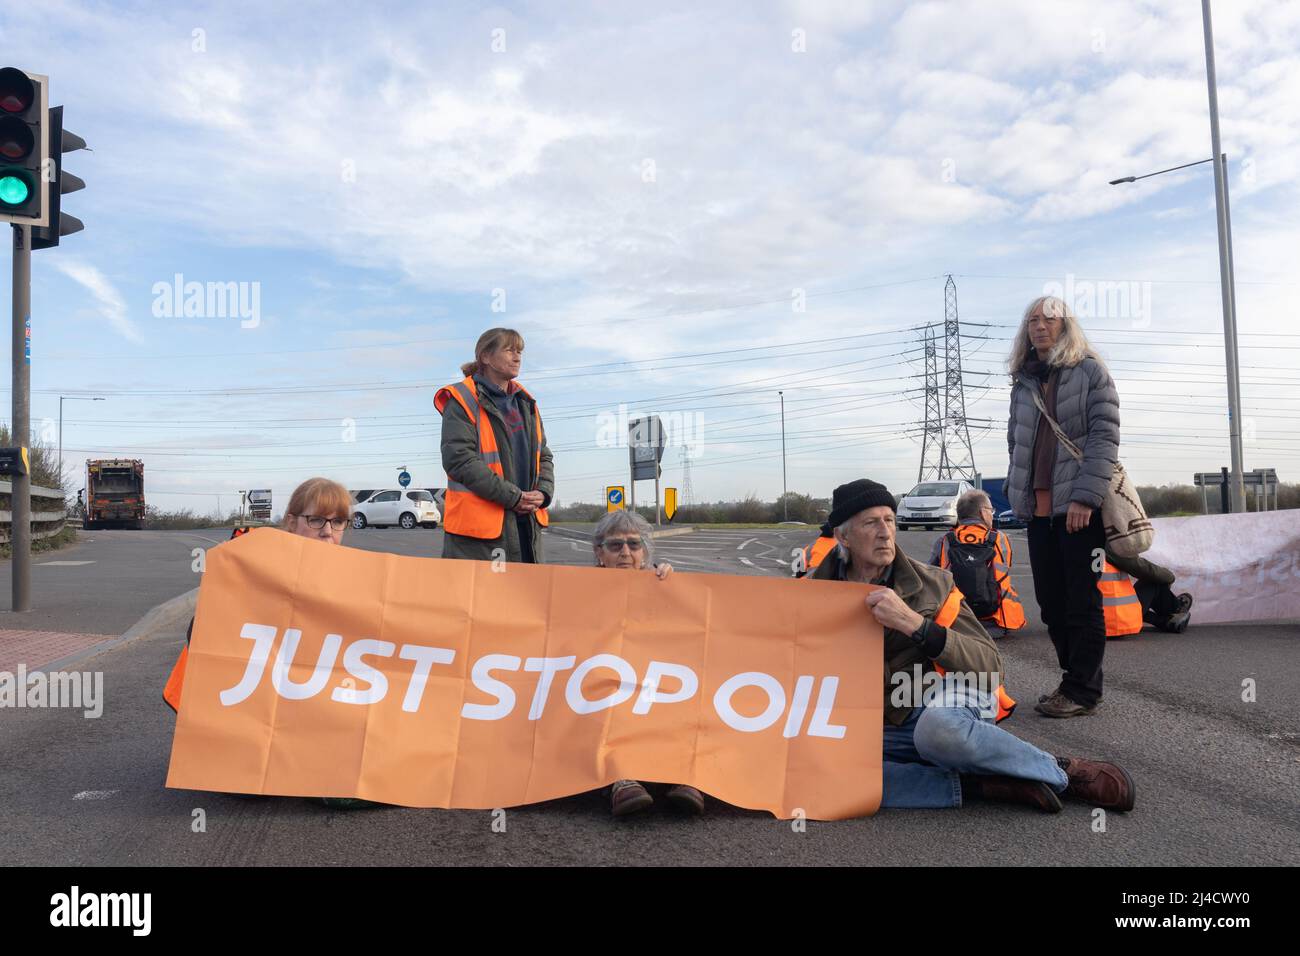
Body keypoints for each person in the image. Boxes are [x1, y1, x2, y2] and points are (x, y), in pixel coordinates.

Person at [810, 478, 1135, 813]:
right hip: (871, 721)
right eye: (870, 523)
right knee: (817, 765)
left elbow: (989, 667)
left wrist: (915, 624)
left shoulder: (933, 585)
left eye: (889, 520)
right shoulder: (806, 597)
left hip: (938, 698)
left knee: (939, 731)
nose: (885, 532)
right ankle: (980, 784)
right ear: (844, 536)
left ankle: (1059, 770)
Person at [162, 478, 370, 808]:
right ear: (291, 522)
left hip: (308, 713)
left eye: (338, 521)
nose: (327, 531)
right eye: (316, 520)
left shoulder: (358, 580)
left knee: (344, 794)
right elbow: (202, 632)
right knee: (253, 787)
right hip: (244, 722)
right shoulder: (254, 567)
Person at [1006, 295, 1121, 718]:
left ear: (1065, 326)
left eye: (1049, 320)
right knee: (1051, 602)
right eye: (1032, 320)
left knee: (1081, 602)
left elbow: (1103, 438)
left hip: (1078, 511)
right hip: (1038, 511)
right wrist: (1019, 497)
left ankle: (1083, 690)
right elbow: (1016, 442)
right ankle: (1071, 680)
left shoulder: (1090, 371)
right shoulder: (1024, 381)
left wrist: (1084, 498)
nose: (1040, 327)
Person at [588, 510, 702, 817]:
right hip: (604, 679)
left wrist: (674, 588)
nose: (626, 552)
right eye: (615, 546)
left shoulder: (661, 581)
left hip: (653, 676)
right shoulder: (577, 588)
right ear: (600, 552)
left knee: (685, 695)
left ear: (645, 551)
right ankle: (619, 780)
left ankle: (685, 777)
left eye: (634, 545)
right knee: (608, 700)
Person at [435, 328, 554, 564]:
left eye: (519, 351)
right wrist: (513, 497)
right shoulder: (461, 399)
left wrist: (543, 493)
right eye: (509, 350)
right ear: (486, 357)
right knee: (481, 600)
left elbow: (545, 456)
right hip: (479, 539)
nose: (517, 357)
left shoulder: (526, 402)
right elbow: (460, 460)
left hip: (526, 527)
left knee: (523, 598)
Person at [927, 489, 1026, 633]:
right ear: (983, 512)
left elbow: (930, 573)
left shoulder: (945, 540)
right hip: (995, 623)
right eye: (991, 511)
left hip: (955, 622)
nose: (992, 515)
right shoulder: (1001, 539)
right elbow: (1006, 567)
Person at [1106, 550, 1193, 633]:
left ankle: (1165, 621)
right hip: (1117, 620)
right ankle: (1175, 610)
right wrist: (1169, 577)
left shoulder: (1093, 548)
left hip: (1095, 624)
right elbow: (1140, 567)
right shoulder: (1104, 545)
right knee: (1153, 579)